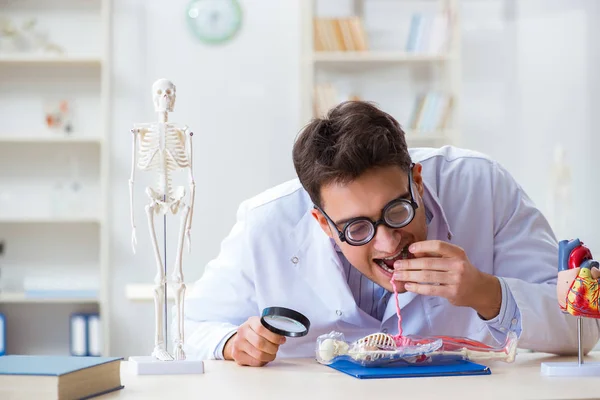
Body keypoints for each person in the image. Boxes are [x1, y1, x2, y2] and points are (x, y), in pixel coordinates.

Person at [180, 101, 600, 367]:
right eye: (357, 228)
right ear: (323, 224)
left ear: (416, 179)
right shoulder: (265, 224)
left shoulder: (481, 187)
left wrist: (486, 294)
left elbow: (581, 329)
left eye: (397, 211)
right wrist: (234, 342)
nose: (387, 243)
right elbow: (187, 328)